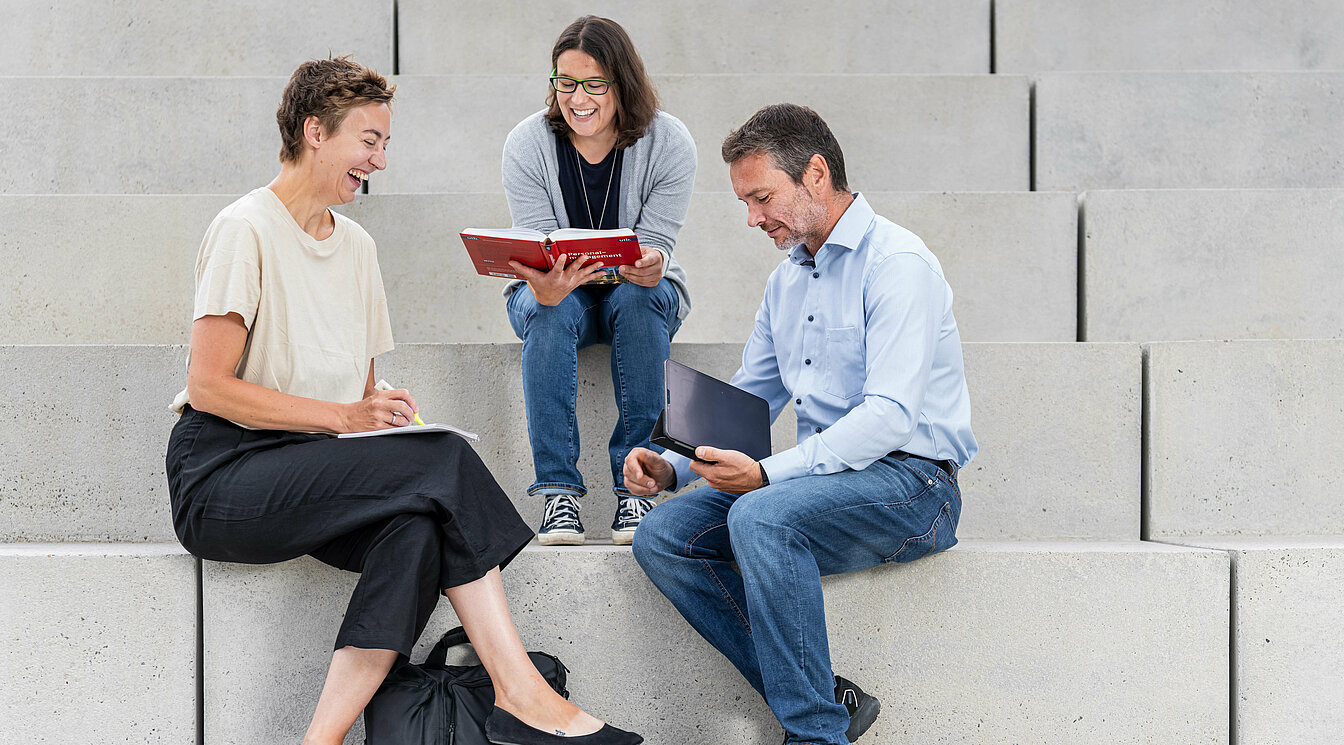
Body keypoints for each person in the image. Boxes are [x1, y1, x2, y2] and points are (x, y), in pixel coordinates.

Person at [164, 56, 641, 745]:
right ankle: (520, 694)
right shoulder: (247, 228)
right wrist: (343, 418)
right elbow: (210, 386)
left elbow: (355, 391)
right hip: (221, 475)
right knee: (440, 460)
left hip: (307, 467)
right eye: (369, 141)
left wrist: (379, 407)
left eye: (385, 143)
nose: (381, 160)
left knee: (416, 530)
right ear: (313, 133)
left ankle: (320, 738)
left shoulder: (357, 247)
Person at [626, 104, 978, 745]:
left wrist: (763, 474)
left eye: (762, 198)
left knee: (761, 514)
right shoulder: (786, 281)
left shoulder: (899, 264)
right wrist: (673, 462)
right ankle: (827, 697)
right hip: (823, 486)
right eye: (746, 204)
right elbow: (752, 394)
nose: (754, 218)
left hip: (914, 486)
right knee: (663, 536)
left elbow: (890, 417)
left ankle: (815, 733)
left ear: (816, 174)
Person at [501, 15, 697, 546]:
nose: (577, 98)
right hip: (555, 298)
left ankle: (636, 486)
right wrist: (543, 282)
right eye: (565, 83)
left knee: (641, 295)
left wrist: (652, 262)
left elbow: (659, 240)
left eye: (594, 84)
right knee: (548, 308)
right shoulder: (527, 143)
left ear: (621, 84)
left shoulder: (668, 141)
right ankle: (558, 493)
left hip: (638, 296)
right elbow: (536, 243)